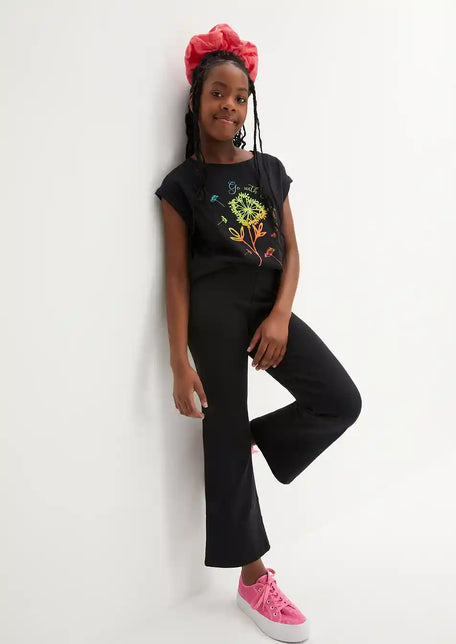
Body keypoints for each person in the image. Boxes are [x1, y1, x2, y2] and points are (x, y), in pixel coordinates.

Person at [155, 23, 362, 643]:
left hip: (267, 305)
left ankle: (252, 439)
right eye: (217, 93)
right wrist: (179, 361)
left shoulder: (269, 170)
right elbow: (175, 278)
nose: (229, 105)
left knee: (339, 399)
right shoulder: (182, 184)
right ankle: (253, 579)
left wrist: (279, 315)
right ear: (197, 100)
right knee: (221, 430)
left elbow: (292, 252)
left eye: (240, 96)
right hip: (214, 311)